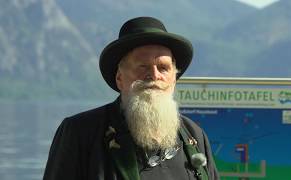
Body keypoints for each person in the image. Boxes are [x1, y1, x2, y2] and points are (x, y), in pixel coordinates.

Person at [43, 16, 220, 180]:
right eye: (142, 66)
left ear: (174, 79)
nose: (154, 75)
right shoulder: (81, 132)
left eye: (163, 68)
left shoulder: (194, 136)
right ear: (119, 78)